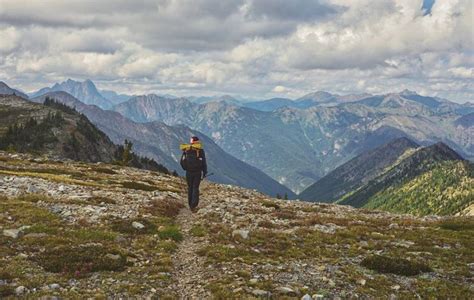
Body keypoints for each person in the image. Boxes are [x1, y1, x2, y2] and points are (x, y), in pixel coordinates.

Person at [180, 136, 207, 212]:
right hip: (197, 172)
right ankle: (194, 205)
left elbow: (182, 161)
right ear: (197, 142)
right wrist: (204, 172)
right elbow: (204, 162)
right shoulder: (200, 150)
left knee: (190, 187)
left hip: (188, 172)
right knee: (195, 187)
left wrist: (185, 168)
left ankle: (190, 204)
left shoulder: (186, 149)